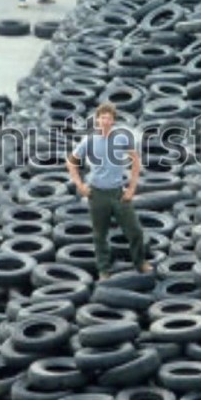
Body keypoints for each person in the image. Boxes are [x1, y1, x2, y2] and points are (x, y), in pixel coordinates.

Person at [66, 102, 152, 280]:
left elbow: (136, 161)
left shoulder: (121, 138)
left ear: (113, 121)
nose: (105, 121)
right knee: (100, 235)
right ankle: (104, 269)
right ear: (97, 120)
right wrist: (80, 185)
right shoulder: (89, 140)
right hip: (97, 194)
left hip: (118, 193)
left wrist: (132, 188)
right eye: (102, 117)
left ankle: (140, 263)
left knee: (135, 231)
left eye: (109, 118)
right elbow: (71, 162)